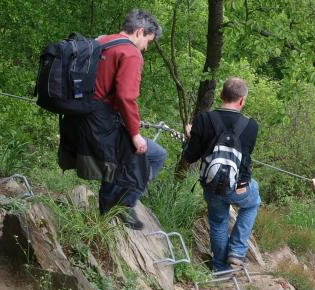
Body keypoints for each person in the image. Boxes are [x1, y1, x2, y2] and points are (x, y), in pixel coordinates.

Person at [58, 9, 165, 229]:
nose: (146, 47)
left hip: (82, 117)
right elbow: (126, 96)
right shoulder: (131, 53)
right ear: (139, 31)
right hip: (103, 121)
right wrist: (135, 135)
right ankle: (122, 206)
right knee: (154, 154)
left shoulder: (101, 42)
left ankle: (105, 215)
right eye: (148, 41)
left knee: (115, 161)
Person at [181, 77, 261, 271]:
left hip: (211, 184)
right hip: (238, 187)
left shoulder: (203, 119)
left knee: (218, 222)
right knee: (253, 201)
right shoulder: (251, 126)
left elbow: (190, 157)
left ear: (221, 95)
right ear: (242, 100)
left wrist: (191, 137)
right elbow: (245, 159)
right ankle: (237, 252)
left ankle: (220, 269)